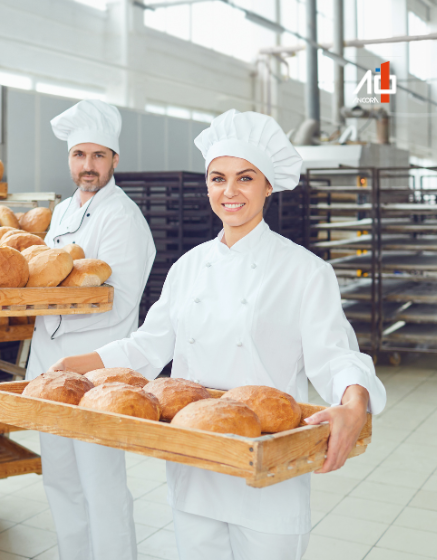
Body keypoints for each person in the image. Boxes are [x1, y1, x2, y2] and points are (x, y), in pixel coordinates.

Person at [49, 109, 387, 560]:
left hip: (266, 471)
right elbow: (147, 346)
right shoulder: (189, 266)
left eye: (245, 178)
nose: (229, 191)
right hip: (194, 463)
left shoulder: (304, 271)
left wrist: (354, 402)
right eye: (217, 178)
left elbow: (335, 354)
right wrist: (74, 365)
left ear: (268, 185)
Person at [25, 99, 156, 560]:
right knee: (59, 476)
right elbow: (44, 276)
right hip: (47, 363)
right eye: (80, 155)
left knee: (101, 481)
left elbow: (118, 300)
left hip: (96, 366)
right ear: (69, 159)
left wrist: (49, 300)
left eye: (98, 156)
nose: (88, 165)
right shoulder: (61, 213)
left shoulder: (123, 217)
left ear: (115, 160)